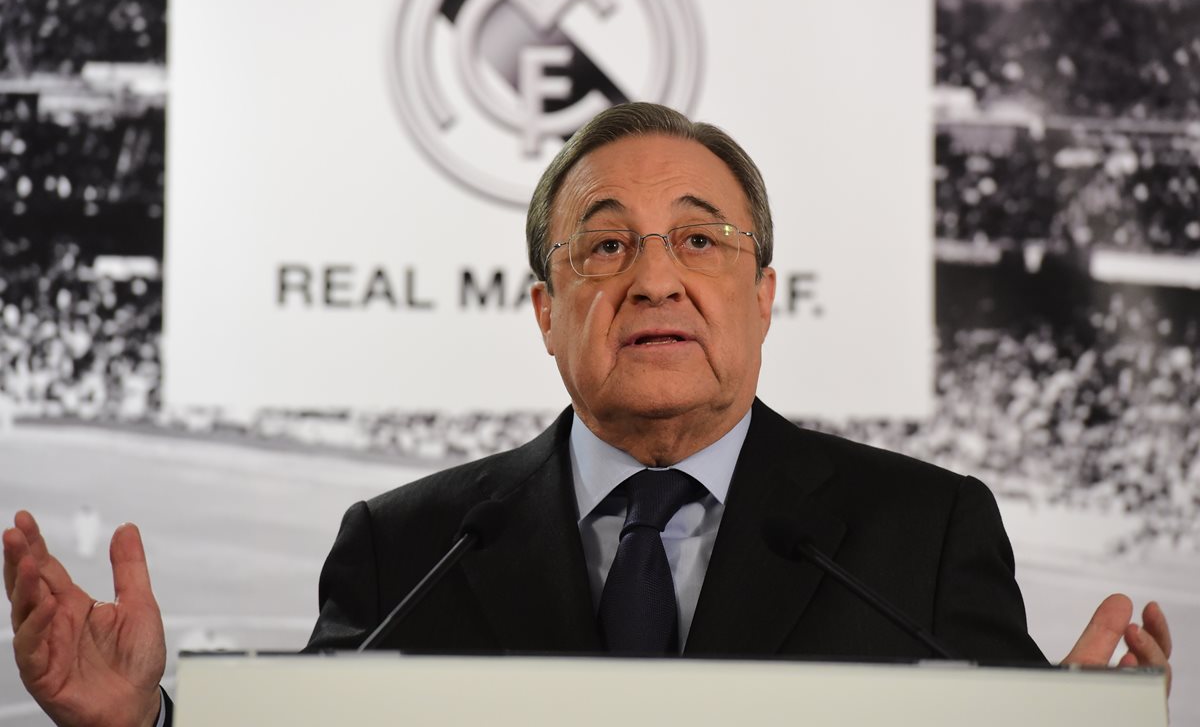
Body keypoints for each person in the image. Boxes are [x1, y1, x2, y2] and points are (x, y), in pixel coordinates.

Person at [4, 103, 1173, 726]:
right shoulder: (404, 548)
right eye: (606, 243)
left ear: (764, 296)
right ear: (545, 308)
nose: (655, 278)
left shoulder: (924, 534)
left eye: (702, 242)